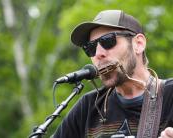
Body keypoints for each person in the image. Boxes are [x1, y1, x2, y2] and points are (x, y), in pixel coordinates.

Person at [53, 10, 173, 138]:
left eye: (108, 41)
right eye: (91, 48)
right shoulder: (88, 107)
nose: (98, 53)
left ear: (138, 44)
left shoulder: (169, 95)